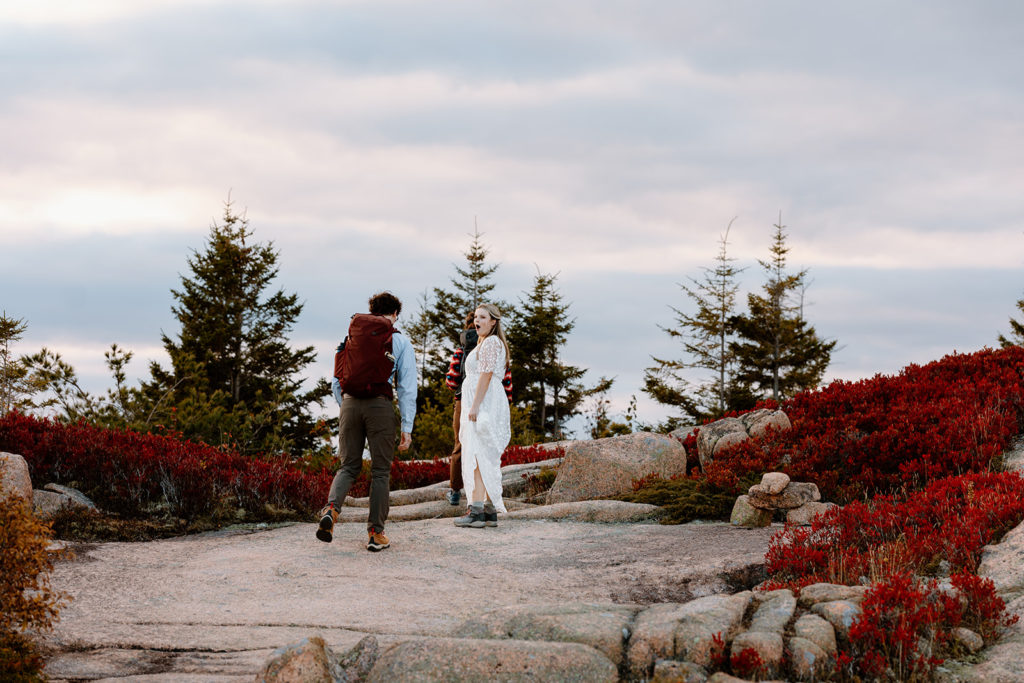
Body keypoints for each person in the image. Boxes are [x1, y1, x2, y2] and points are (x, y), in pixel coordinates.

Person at [317, 291, 417, 551]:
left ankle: (331, 509)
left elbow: (336, 380)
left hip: (349, 403)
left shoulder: (351, 337)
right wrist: (407, 426)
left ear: (372, 312)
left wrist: (347, 405)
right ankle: (376, 533)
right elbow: (406, 386)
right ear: (395, 314)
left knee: (348, 466)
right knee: (380, 471)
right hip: (380, 407)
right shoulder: (400, 341)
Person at [454, 303, 511, 528]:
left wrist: (475, 406)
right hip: (487, 399)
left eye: (483, 317)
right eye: (476, 317)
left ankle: (476, 509)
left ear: (493, 322)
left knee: (478, 454)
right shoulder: (486, 343)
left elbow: (485, 375)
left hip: (485, 401)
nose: (477, 321)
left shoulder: (490, 343)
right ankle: (487, 509)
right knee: (484, 453)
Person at [443, 313, 478, 506]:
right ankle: (480, 492)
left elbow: (451, 380)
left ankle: (455, 492)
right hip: (485, 403)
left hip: (462, 401)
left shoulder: (461, 350)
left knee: (460, 445)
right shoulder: (490, 347)